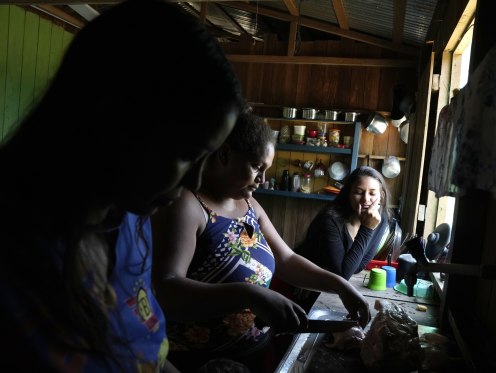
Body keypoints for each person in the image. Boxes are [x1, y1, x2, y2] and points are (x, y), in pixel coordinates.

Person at [0, 0, 245, 371]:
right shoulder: (15, 259)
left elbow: (143, 354)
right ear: (116, 117)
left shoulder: (128, 221)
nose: (193, 183)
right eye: (187, 153)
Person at [151, 113, 371, 372]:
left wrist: (340, 285)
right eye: (257, 167)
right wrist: (250, 295)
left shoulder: (248, 206)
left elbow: (286, 260)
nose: (263, 179)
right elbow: (167, 289)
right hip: (199, 362)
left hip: (252, 353)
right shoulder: (187, 205)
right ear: (224, 156)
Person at [297, 166, 393, 280]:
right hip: (302, 279)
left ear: (381, 195)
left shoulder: (380, 220)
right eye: (358, 192)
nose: (365, 199)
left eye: (372, 193)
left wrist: (368, 227)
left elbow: (358, 267)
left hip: (328, 285)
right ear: (349, 194)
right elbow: (343, 274)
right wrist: (367, 228)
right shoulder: (330, 220)